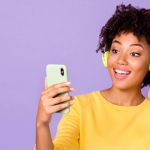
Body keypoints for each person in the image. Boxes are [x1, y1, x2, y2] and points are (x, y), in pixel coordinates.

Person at [35, 4, 150, 150]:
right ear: (106, 57)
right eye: (115, 50)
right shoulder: (80, 107)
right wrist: (42, 124)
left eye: (134, 53)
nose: (121, 60)